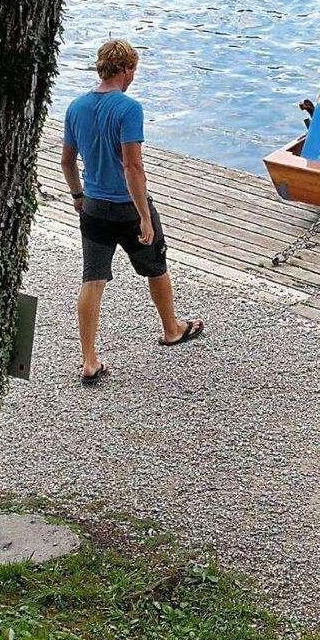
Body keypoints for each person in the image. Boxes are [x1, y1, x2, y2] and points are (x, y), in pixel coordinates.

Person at [60, 39, 204, 385]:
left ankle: (89, 360)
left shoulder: (75, 107)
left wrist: (78, 196)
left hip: (93, 207)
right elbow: (133, 167)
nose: (134, 75)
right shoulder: (128, 108)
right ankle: (172, 329)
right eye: (133, 69)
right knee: (156, 265)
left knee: (92, 279)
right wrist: (143, 214)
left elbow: (67, 161)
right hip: (126, 207)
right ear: (126, 69)